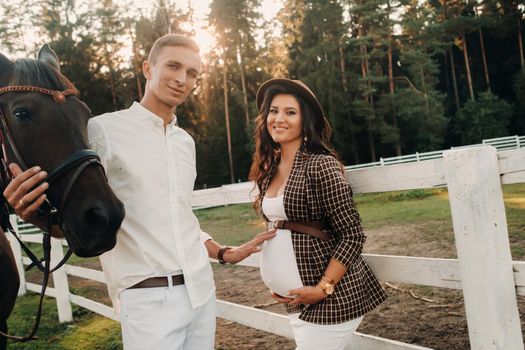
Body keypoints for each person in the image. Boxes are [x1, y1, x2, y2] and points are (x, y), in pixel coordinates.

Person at [3, 34, 276, 350]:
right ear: (148, 68)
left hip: (202, 292)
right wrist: (34, 214)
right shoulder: (101, 130)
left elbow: (177, 218)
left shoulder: (184, 142)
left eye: (192, 73)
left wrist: (223, 252)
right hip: (148, 300)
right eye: (172, 66)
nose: (181, 79)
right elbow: (78, 213)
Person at [249, 78, 387, 350]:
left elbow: (352, 235)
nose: (279, 119)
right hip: (296, 302)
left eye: (290, 112)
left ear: (305, 120)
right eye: (274, 111)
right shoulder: (269, 169)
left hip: (330, 299)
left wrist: (323, 287)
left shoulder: (320, 166)